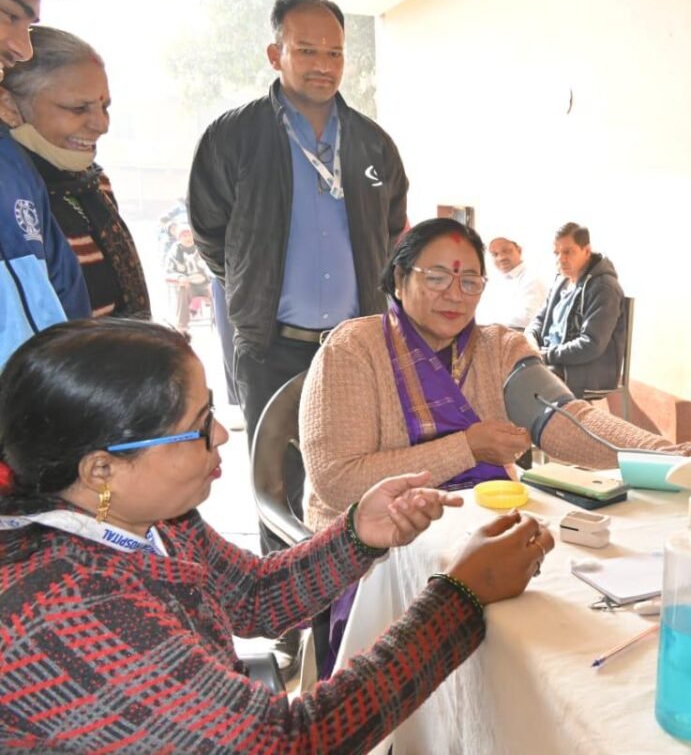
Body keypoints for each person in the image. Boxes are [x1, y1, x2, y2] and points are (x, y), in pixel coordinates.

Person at [0, 317, 555, 752]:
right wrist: (459, 598)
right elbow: (290, 742)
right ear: (102, 470)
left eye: (212, 412)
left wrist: (358, 534)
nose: (221, 434)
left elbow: (253, 596)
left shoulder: (150, 519)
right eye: (197, 427)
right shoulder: (64, 610)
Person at [301, 217, 676, 532]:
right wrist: (468, 447)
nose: (455, 295)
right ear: (400, 279)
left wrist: (666, 454)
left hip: (479, 529)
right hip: (366, 547)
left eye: (469, 282)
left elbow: (566, 419)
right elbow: (339, 481)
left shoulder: (498, 348)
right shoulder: (353, 350)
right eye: (437, 278)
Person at [188, 0, 409, 446]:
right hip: (269, 350)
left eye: (335, 53)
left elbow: (391, 231)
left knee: (355, 468)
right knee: (276, 477)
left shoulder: (373, 143)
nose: (323, 65)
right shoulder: (233, 137)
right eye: (307, 50)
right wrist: (252, 287)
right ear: (276, 55)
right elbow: (210, 232)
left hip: (354, 347)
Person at [1, 25, 150, 320]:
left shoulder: (95, 184)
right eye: (79, 108)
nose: (102, 125)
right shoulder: (11, 201)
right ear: (8, 107)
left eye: (104, 106)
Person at [0, 0, 89, 367]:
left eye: (29, 27)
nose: (22, 49)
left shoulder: (13, 164)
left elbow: (65, 296)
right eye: (8, 15)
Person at [526, 222, 626, 398]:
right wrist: (530, 341)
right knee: (510, 371)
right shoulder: (562, 280)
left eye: (568, 252)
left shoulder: (604, 287)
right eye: (556, 253)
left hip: (587, 369)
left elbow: (591, 345)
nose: (561, 259)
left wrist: (545, 356)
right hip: (555, 358)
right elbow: (539, 319)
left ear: (586, 251)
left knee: (528, 382)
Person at [475, 235, 546, 328]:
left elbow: (527, 318)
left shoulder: (531, 279)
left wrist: (489, 323)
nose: (501, 258)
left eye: (506, 251)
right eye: (495, 254)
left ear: (519, 250)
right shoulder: (494, 281)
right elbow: (480, 313)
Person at [163, 224, 210, 331]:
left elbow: (213, 265)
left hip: (205, 283)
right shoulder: (174, 253)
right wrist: (179, 277)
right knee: (182, 289)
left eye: (189, 235)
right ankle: (182, 326)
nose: (188, 238)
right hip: (188, 285)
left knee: (217, 287)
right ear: (179, 238)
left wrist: (211, 279)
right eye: (184, 236)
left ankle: (223, 321)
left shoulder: (202, 247)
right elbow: (168, 273)